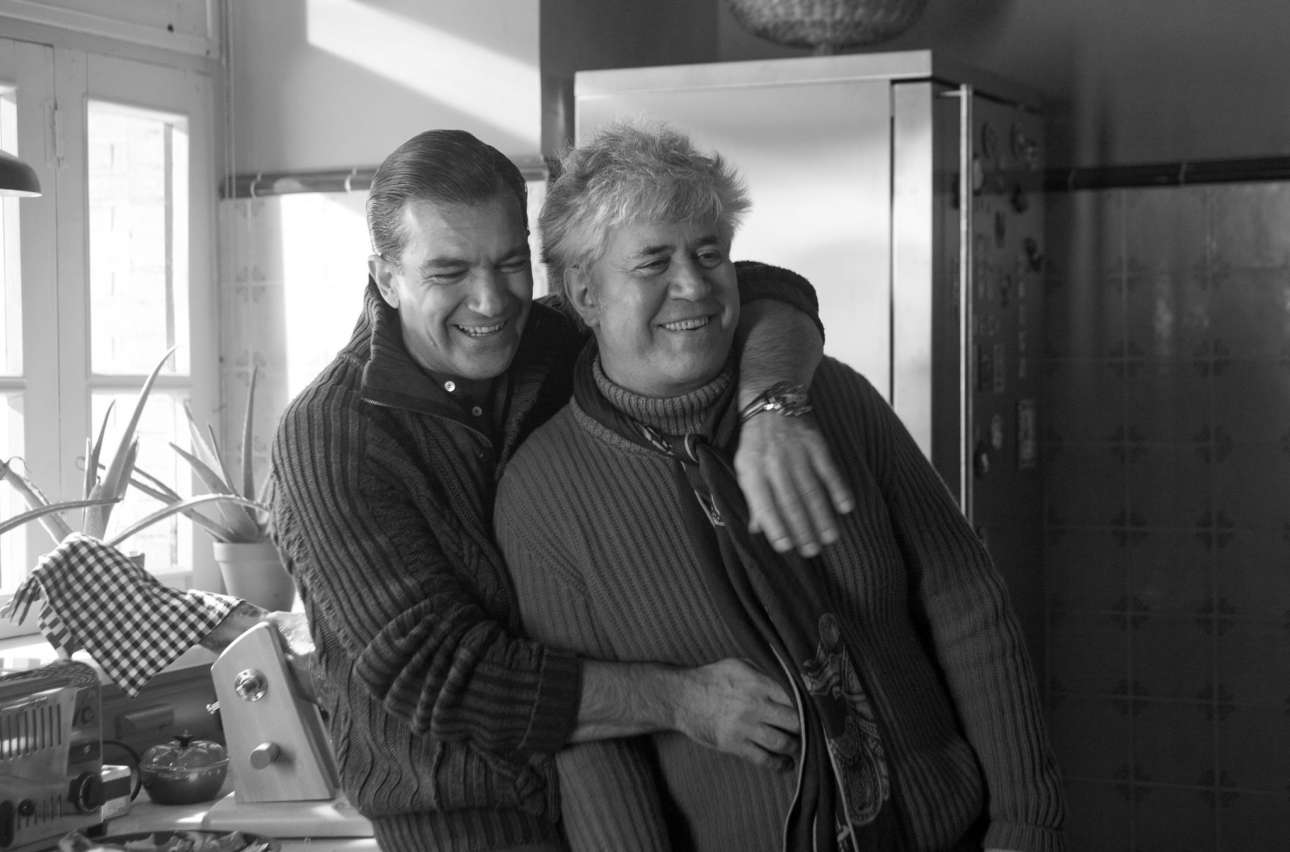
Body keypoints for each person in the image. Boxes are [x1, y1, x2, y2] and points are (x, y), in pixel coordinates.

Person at [269, 128, 852, 852]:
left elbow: (763, 290)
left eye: (510, 263)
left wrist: (772, 406)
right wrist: (683, 700)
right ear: (386, 278)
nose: (491, 301)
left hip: (634, 793)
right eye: (448, 272)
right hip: (466, 826)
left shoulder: (553, 337)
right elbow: (439, 674)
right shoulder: (331, 435)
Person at [495, 122, 1067, 852]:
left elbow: (967, 601)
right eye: (653, 262)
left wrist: (1028, 823)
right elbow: (598, 758)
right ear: (585, 291)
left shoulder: (833, 398)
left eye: (711, 253)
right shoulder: (542, 495)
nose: (694, 285)